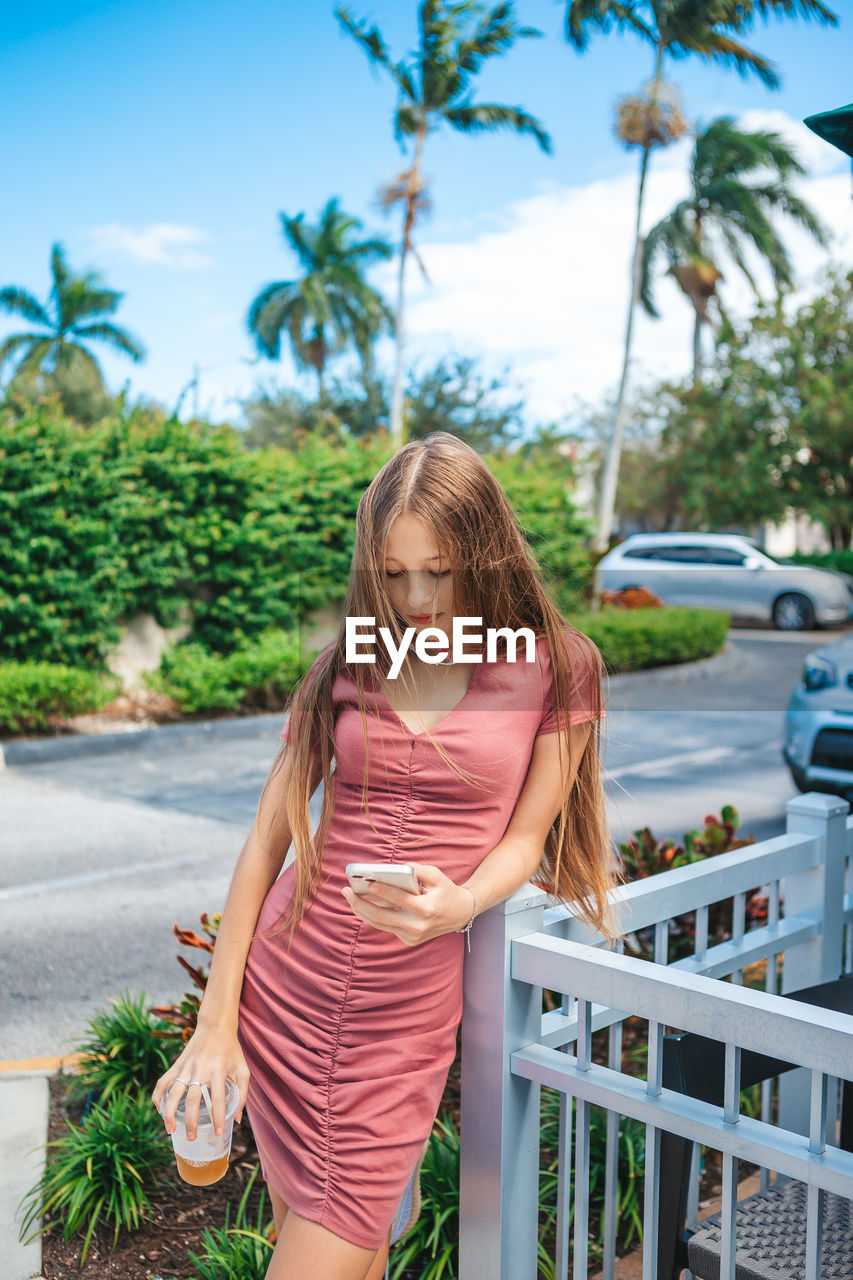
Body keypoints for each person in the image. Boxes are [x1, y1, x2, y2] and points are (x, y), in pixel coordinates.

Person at [152, 431, 620, 1280]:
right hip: (286, 986)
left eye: (437, 571)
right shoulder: (350, 661)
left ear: (484, 550)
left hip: (400, 1024)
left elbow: (524, 838)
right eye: (391, 572)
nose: (412, 597)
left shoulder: (558, 667)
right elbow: (268, 839)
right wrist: (215, 1025)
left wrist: (464, 903)